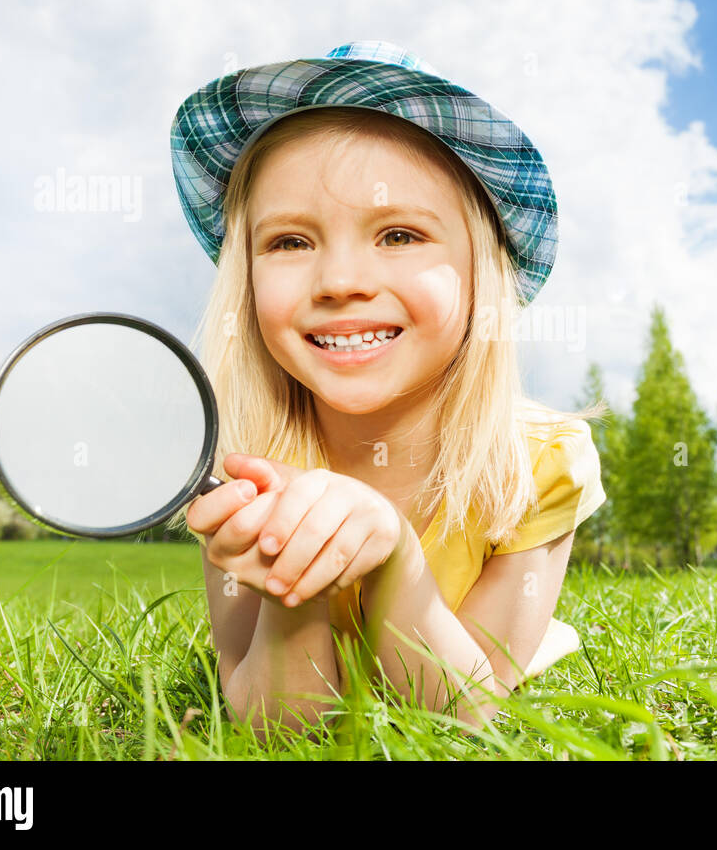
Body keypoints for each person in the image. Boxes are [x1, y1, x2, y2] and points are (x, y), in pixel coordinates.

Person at [169, 41, 608, 736]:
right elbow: (275, 727)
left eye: (400, 235)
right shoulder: (243, 469)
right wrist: (296, 584)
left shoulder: (543, 464)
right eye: (289, 242)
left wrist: (393, 558)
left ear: (479, 276)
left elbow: (466, 713)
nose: (341, 280)